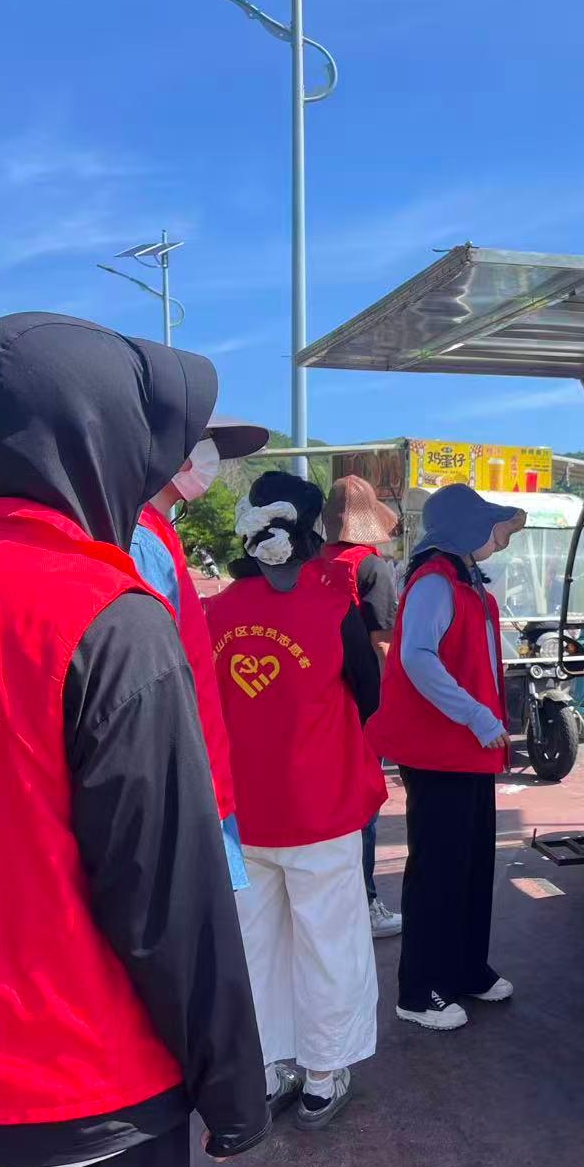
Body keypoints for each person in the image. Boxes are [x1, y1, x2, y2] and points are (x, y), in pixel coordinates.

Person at [0, 313, 267, 1167]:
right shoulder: (105, 616)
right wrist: (233, 1087)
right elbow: (167, 897)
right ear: (97, 437)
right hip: (72, 1085)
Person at [204, 472, 384, 1131]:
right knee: (327, 943)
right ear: (310, 533)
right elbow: (370, 696)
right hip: (321, 808)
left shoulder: (212, 614)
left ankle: (263, 1070)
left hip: (240, 815)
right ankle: (322, 1076)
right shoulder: (332, 608)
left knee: (254, 945)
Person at [369, 483, 525, 1032]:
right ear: (462, 526)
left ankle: (465, 968)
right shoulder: (435, 579)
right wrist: (477, 715)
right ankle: (419, 990)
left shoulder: (464, 577)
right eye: (491, 527)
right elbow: (416, 657)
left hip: (469, 750)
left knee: (472, 863)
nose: (498, 538)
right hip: (441, 751)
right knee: (437, 869)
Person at [130, 415, 270, 901]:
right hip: (183, 786)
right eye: (203, 441)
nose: (208, 458)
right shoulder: (141, 541)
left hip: (199, 773)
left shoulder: (156, 533)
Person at [320, 474, 403, 939]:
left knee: (329, 802)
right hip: (363, 704)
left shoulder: (313, 563)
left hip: (319, 700)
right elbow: (382, 644)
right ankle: (366, 901)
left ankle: (334, 900)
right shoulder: (371, 567)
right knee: (364, 803)